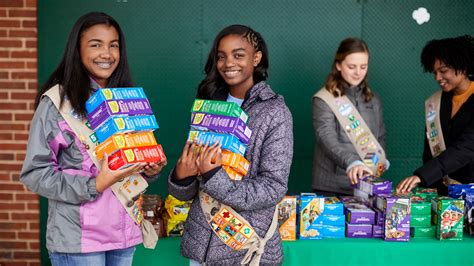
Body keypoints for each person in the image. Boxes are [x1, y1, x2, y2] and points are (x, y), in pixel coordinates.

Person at [20, 12, 165, 265]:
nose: (106, 54)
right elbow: (35, 174)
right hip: (79, 240)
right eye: (96, 44)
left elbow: (127, 168)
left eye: (114, 45)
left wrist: (149, 169)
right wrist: (94, 184)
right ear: (77, 49)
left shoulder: (126, 101)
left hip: (124, 233)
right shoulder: (57, 103)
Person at [168, 24, 293, 265]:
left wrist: (215, 176)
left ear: (256, 58)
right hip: (201, 246)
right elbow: (185, 192)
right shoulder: (208, 104)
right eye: (221, 56)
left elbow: (273, 187)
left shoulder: (275, 112)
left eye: (238, 55)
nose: (228, 63)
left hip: (244, 248)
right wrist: (181, 178)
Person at [397, 35, 474, 195]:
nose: (438, 78)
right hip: (443, 194)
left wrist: (422, 175)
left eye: (443, 71)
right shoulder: (436, 102)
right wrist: (427, 190)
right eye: (434, 72)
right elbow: (430, 151)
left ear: (464, 67)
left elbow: (466, 147)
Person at [312, 37, 389, 196]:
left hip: (366, 185)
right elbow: (326, 137)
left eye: (363, 66)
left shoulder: (373, 99)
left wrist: (381, 161)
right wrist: (352, 162)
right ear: (339, 65)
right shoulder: (324, 98)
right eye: (352, 66)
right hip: (331, 187)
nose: (358, 72)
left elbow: (380, 136)